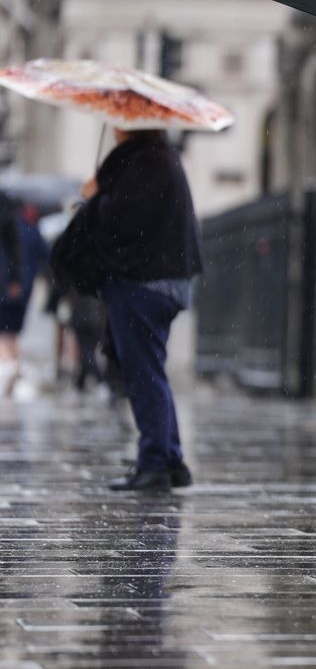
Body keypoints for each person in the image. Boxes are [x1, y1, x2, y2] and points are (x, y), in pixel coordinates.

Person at [79, 128, 203, 491]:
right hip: (162, 281)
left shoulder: (145, 161)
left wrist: (95, 197)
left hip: (145, 284)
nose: (116, 129)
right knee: (151, 370)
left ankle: (154, 463)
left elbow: (120, 220)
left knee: (144, 374)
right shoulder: (159, 157)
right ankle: (170, 458)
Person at [0, 200, 41, 397]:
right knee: (11, 334)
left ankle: (10, 371)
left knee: (5, 333)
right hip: (20, 287)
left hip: (9, 286)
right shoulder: (30, 229)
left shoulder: (11, 225)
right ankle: (12, 370)